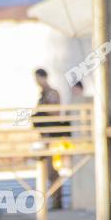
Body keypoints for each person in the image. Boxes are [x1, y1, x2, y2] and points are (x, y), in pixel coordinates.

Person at [31, 68, 63, 209]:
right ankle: (54, 201)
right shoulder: (43, 94)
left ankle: (57, 202)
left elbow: (55, 112)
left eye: (38, 78)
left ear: (43, 78)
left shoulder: (52, 93)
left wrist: (42, 111)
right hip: (45, 136)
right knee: (47, 170)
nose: (37, 82)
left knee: (53, 170)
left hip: (53, 137)